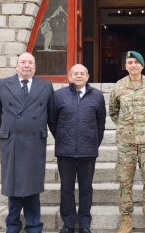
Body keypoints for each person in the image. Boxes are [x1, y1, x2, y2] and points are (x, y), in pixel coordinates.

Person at [0, 52, 54, 233]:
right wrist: (8, 130)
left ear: (35, 67)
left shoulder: (46, 86)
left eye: (30, 63)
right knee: (13, 184)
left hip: (35, 141)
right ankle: (13, 224)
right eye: (23, 62)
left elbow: (51, 113)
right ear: (17, 66)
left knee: (33, 185)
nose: (27, 65)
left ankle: (34, 225)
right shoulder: (3, 84)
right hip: (12, 140)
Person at [109, 51, 145, 233]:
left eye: (136, 62)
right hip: (126, 143)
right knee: (125, 181)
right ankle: (126, 219)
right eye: (129, 62)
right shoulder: (118, 86)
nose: (132, 65)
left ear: (142, 65)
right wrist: (125, 127)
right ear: (125, 66)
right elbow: (113, 111)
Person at [48, 64, 106, 233]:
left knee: (86, 188)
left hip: (88, 151)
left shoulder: (97, 96)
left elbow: (100, 123)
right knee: (66, 188)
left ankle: (84, 223)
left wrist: (94, 142)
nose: (79, 76)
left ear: (88, 77)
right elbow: (52, 121)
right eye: (76, 74)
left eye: (82, 73)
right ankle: (68, 223)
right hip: (65, 151)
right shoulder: (59, 96)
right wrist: (61, 138)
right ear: (70, 77)